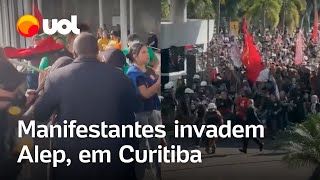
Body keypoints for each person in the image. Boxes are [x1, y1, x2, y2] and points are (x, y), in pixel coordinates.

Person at [33, 32, 138, 180]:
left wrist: (38, 95)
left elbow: (40, 114)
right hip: (111, 156)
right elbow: (134, 107)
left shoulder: (56, 78)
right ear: (97, 51)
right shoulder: (119, 76)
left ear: (74, 52)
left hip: (72, 158)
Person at [126, 42, 162, 180]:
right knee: (142, 148)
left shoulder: (148, 71)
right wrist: (158, 83)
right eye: (143, 52)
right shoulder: (133, 73)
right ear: (135, 56)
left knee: (155, 146)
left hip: (152, 111)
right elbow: (145, 94)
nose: (147, 55)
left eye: (147, 52)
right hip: (140, 113)